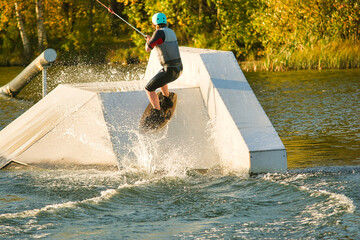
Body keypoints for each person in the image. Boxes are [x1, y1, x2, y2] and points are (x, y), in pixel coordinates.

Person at [144, 12, 183, 126]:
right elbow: (161, 42)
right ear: (165, 22)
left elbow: (148, 48)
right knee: (161, 78)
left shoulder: (158, 32)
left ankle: (157, 114)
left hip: (169, 70)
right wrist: (152, 39)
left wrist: (148, 40)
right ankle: (167, 99)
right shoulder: (171, 32)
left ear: (154, 24)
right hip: (179, 69)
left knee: (149, 89)